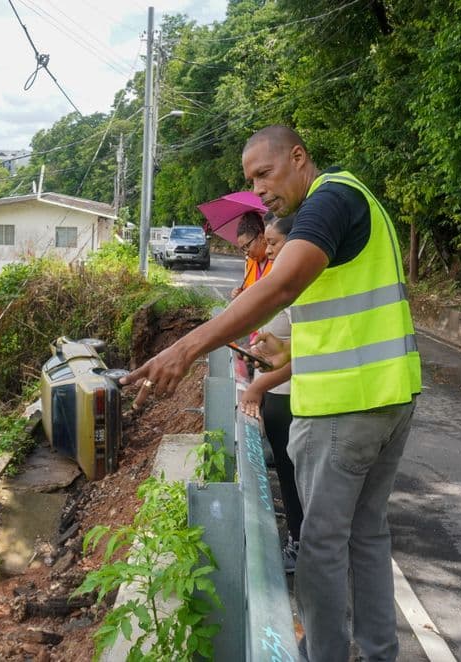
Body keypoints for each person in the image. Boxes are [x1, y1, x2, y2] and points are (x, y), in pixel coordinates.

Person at [121, 124, 421, 662]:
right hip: (389, 396)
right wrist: (291, 351)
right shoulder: (356, 197)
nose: (259, 190)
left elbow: (280, 285)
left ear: (298, 157)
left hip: (345, 407)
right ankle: (380, 653)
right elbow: (351, 313)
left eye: (265, 173)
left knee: (321, 548)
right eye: (251, 180)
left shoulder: (328, 201)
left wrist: (184, 349)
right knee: (368, 536)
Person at [238, 214, 303, 575]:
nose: (270, 250)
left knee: (293, 477)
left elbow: (305, 351)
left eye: (274, 243)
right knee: (288, 471)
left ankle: (299, 543)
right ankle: (298, 539)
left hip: (289, 395)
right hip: (277, 392)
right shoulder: (278, 277)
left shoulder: (297, 285)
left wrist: (258, 386)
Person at [228, 211, 272, 300]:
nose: (246, 252)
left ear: (261, 238)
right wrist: (240, 294)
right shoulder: (250, 262)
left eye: (247, 246)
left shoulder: (277, 259)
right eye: (242, 249)